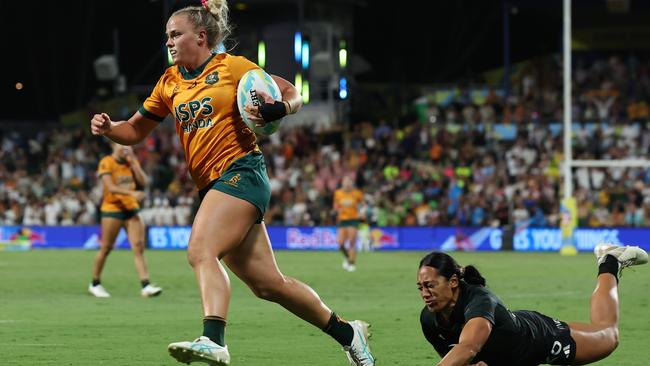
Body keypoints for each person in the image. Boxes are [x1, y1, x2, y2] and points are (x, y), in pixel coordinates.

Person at [89, 1, 374, 365]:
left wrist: (281, 109)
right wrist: (111, 128)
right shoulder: (169, 82)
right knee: (269, 285)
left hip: (241, 172)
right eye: (167, 37)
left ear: (202, 36)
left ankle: (214, 339)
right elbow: (135, 129)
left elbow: (292, 93)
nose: (170, 43)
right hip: (213, 185)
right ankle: (349, 334)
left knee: (200, 251)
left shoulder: (233, 68)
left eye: (176, 35)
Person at [417, 244, 648, 366]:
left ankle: (609, 260)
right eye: (420, 288)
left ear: (454, 281)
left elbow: (467, 348)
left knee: (608, 336)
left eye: (430, 285)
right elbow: (455, 358)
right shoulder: (429, 319)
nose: (425, 294)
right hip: (509, 353)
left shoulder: (479, 300)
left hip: (540, 339)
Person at [89, 142, 162, 298]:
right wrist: (133, 194)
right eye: (121, 144)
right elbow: (110, 188)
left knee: (139, 247)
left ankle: (146, 285)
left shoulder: (130, 162)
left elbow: (144, 182)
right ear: (113, 145)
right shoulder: (106, 162)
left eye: (127, 145)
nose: (125, 147)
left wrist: (135, 163)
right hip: (112, 209)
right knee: (106, 248)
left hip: (131, 209)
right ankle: (95, 283)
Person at [333, 175, 363, 271]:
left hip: (353, 219)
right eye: (345, 182)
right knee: (340, 244)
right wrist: (337, 210)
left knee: (351, 242)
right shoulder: (338, 193)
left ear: (352, 183)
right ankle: (347, 257)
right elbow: (335, 205)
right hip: (342, 220)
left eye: (349, 181)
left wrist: (362, 212)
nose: (347, 184)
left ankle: (351, 263)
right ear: (342, 183)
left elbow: (363, 205)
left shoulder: (357, 193)